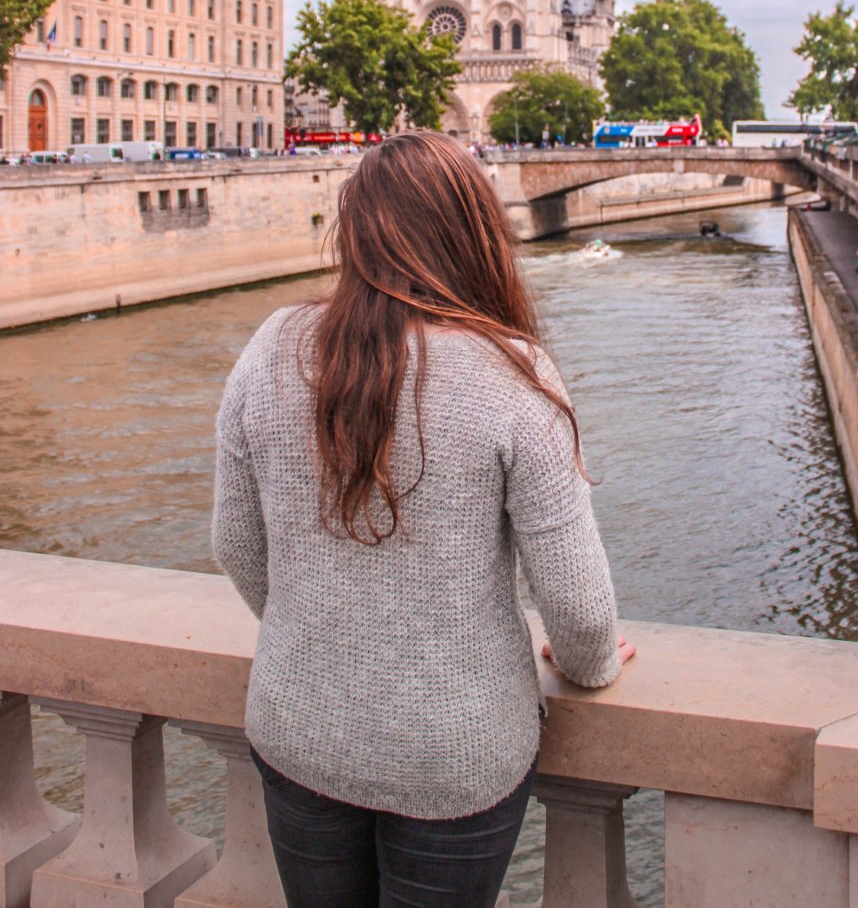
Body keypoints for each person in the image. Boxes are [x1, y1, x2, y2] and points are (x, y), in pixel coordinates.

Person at [212, 130, 634, 908]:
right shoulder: (514, 372)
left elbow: (235, 544)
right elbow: (577, 606)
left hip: (300, 725)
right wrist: (594, 665)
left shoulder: (272, 346)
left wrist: (324, 637)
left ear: (356, 233)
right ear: (476, 232)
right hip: (456, 753)